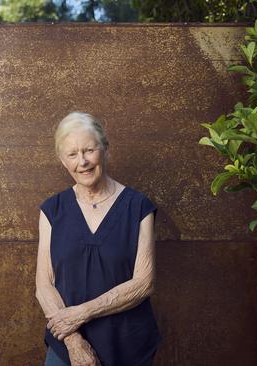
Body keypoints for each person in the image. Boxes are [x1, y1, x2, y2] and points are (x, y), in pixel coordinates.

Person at [35, 112, 163, 366]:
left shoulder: (138, 207)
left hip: (127, 344)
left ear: (104, 148)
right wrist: (73, 341)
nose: (82, 161)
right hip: (67, 345)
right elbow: (44, 285)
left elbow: (143, 283)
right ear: (63, 160)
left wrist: (81, 313)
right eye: (72, 154)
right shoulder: (52, 210)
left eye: (89, 150)